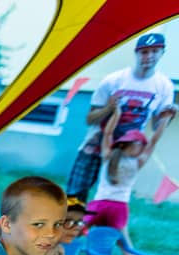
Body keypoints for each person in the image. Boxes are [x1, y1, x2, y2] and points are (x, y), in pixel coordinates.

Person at [66, 33, 176, 202]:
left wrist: (167, 117)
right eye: (144, 52)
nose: (149, 56)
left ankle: (100, 219)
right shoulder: (113, 80)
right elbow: (90, 119)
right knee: (75, 195)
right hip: (97, 144)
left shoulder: (164, 86)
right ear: (136, 53)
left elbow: (156, 126)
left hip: (125, 152)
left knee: (112, 198)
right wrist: (108, 108)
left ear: (162, 53)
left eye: (155, 51)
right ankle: (72, 218)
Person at [85, 105, 168, 255]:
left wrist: (117, 113)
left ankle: (50, 253)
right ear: (133, 146)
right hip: (117, 207)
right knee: (122, 240)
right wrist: (165, 120)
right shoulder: (135, 160)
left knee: (78, 229)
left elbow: (108, 134)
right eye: (140, 144)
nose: (141, 147)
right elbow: (153, 141)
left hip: (100, 204)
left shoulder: (110, 155)